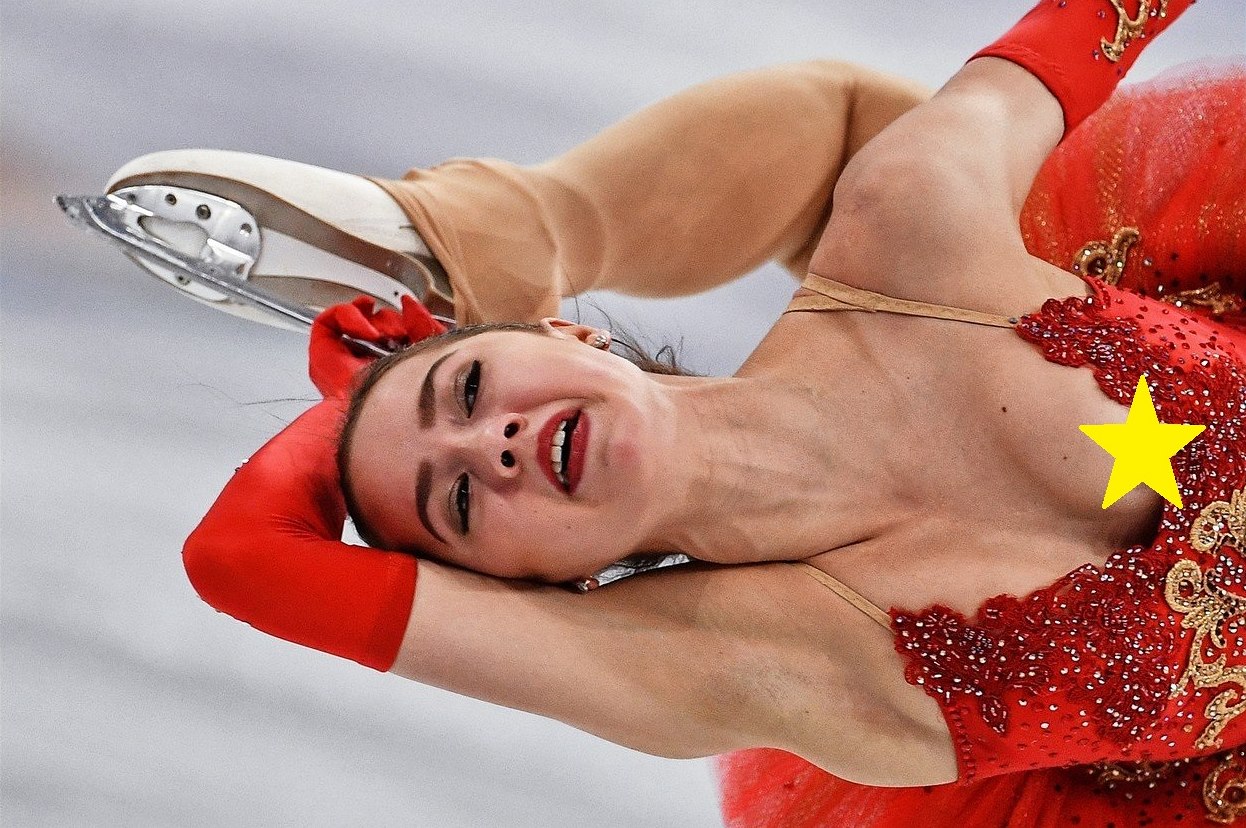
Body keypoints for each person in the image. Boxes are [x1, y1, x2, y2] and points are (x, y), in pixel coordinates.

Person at [108, 1, 1246, 824]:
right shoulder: (736, 661)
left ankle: (496, 234)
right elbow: (240, 560)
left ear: (564, 332)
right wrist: (369, 394)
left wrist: (391, 356)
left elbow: (1100, 16)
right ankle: (486, 254)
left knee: (851, 132)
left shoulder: (912, 229)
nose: (490, 444)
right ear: (533, 589)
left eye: (471, 391)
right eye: (453, 501)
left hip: (975, 277)